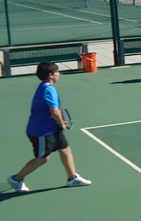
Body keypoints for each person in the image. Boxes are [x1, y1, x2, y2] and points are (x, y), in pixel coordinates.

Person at [8, 62, 91, 192]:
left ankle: (72, 178)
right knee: (42, 159)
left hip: (51, 127)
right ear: (51, 75)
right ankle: (16, 178)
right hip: (41, 131)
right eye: (57, 72)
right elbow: (54, 112)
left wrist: (59, 123)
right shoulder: (49, 90)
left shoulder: (43, 86)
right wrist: (61, 123)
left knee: (65, 150)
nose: (59, 74)